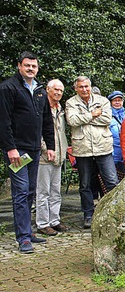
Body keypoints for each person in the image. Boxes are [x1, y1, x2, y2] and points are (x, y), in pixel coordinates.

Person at [0, 52, 55, 253]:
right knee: (21, 192)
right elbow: (3, 122)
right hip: (17, 150)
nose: (31, 69)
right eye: (27, 65)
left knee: (31, 190)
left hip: (34, 149)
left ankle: (29, 231)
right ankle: (23, 238)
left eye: (34, 66)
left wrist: (50, 146)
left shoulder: (40, 90)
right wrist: (10, 148)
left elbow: (47, 121)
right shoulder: (8, 88)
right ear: (19, 66)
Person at [66, 76, 118, 229]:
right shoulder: (71, 102)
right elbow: (72, 121)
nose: (84, 89)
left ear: (90, 86)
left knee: (112, 182)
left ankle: (113, 212)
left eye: (86, 86)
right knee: (85, 184)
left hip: (103, 146)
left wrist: (84, 118)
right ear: (76, 88)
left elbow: (107, 119)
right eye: (81, 87)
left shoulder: (102, 100)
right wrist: (93, 114)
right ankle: (88, 214)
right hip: (82, 149)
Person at [35, 79, 69, 236]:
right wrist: (45, 149)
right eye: (55, 89)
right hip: (44, 156)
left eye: (61, 90)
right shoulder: (41, 107)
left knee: (56, 190)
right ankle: (42, 223)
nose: (58, 93)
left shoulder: (60, 108)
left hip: (59, 155)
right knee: (43, 192)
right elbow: (39, 132)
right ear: (47, 89)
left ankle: (54, 220)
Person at [108, 91, 125, 176]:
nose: (117, 102)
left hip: (124, 153)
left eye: (120, 100)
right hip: (112, 153)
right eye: (115, 100)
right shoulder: (107, 116)